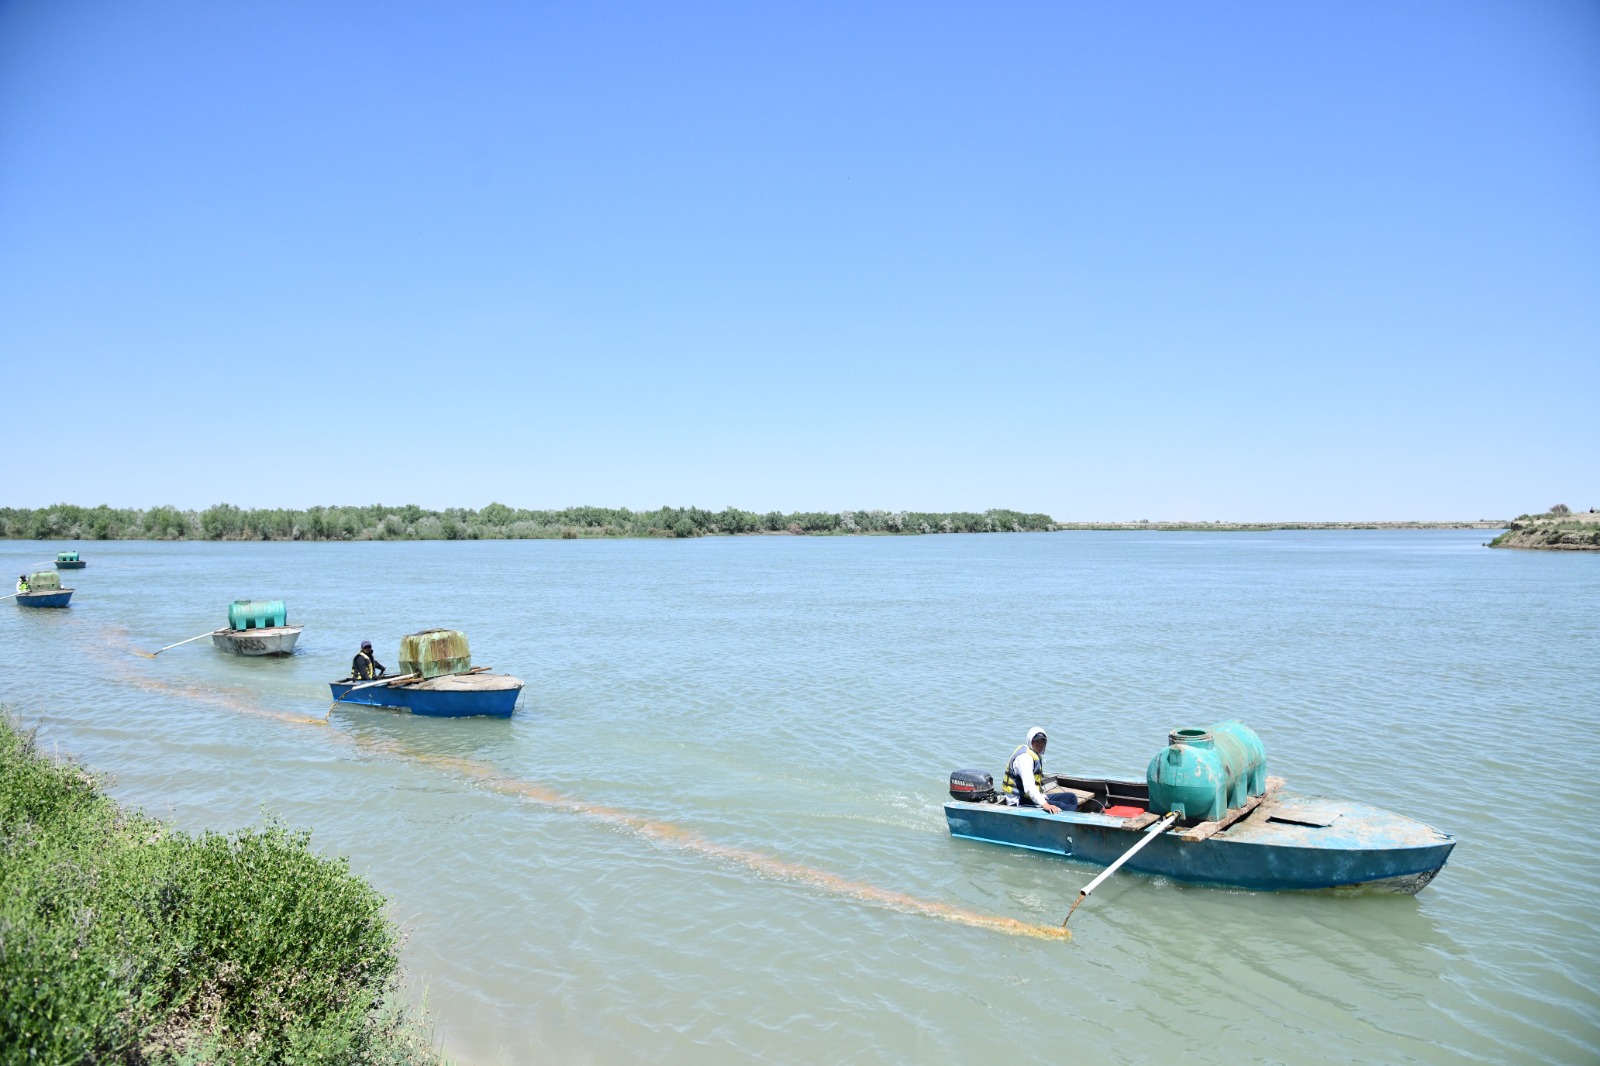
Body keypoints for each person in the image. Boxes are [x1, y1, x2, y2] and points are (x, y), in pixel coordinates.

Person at [1002, 727, 1079, 813]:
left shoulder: (1034, 754)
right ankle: (1066, 824)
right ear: (1030, 741)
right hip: (1019, 801)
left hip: (1030, 797)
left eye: (1042, 741)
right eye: (1037, 741)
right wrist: (1045, 804)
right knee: (1061, 807)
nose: (1040, 744)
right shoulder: (1025, 758)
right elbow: (1029, 788)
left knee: (1071, 798)